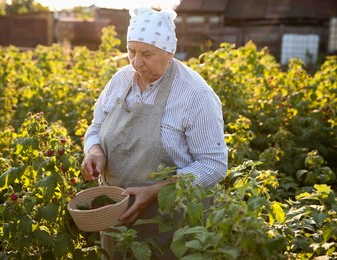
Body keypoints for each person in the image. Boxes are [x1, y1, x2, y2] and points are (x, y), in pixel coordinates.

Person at [81, 6, 228, 259]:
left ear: (169, 53)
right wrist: (95, 151)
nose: (137, 62)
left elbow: (214, 164)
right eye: (131, 51)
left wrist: (159, 190)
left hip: (170, 226)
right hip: (116, 218)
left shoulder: (195, 95)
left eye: (147, 54)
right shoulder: (120, 80)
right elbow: (95, 127)